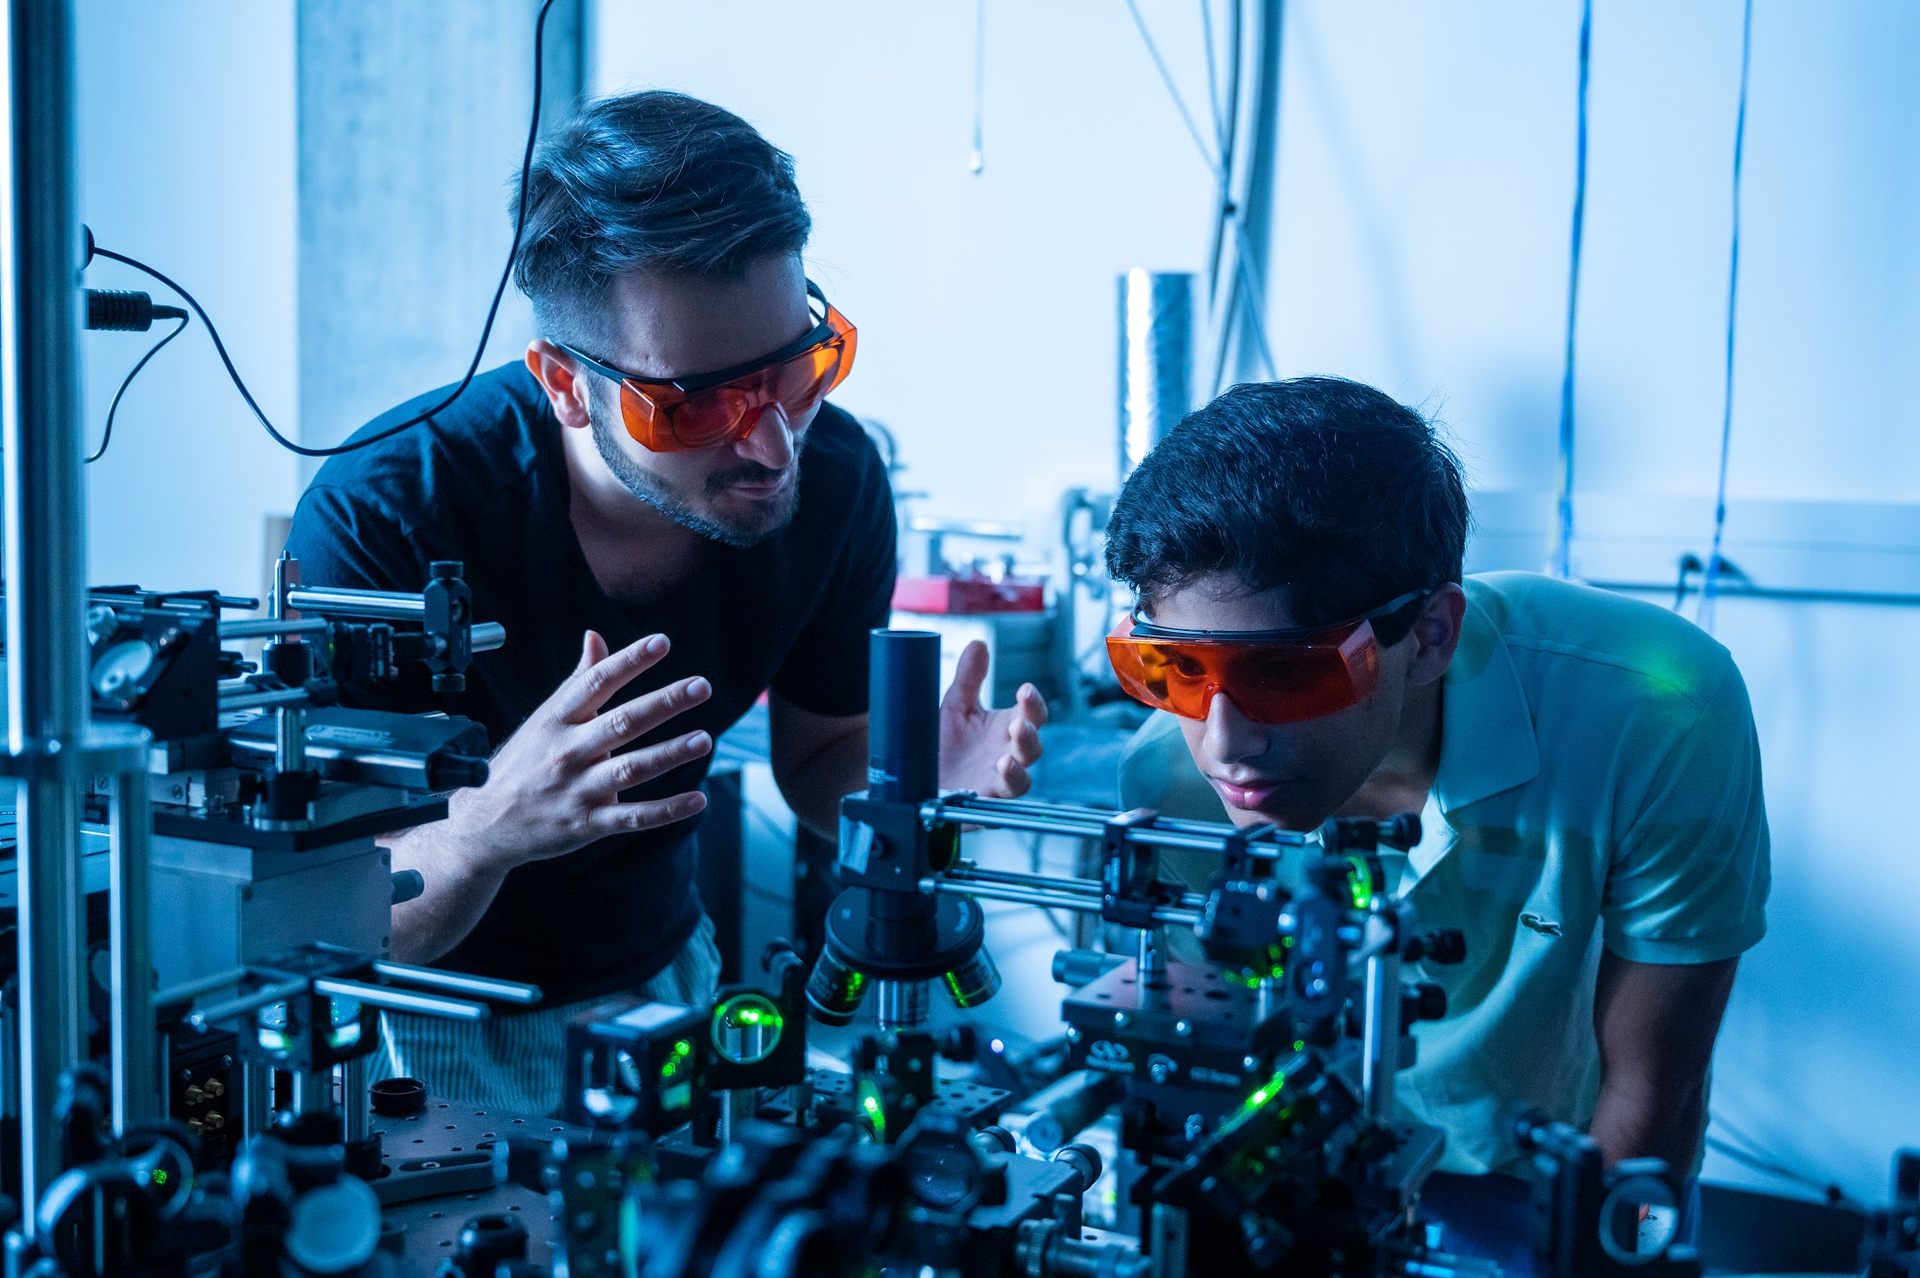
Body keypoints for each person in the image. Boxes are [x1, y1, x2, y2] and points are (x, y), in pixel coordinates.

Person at [284, 91, 1047, 1114]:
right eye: (697, 405)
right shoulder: (387, 514)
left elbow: (821, 759)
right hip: (420, 1024)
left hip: (668, 985)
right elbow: (319, 913)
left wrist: (905, 784)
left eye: (798, 372)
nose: (773, 447)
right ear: (564, 384)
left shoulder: (840, 483)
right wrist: (487, 829)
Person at [1104, 377, 1769, 1267]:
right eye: (1173, 666)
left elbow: (1650, 1088)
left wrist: (1597, 1250)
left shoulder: (1661, 709)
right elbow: (1214, 1069)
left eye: (1286, 675)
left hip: (1556, 1174)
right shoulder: (1167, 779)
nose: (1224, 745)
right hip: (1311, 1161)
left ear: (1429, 636)